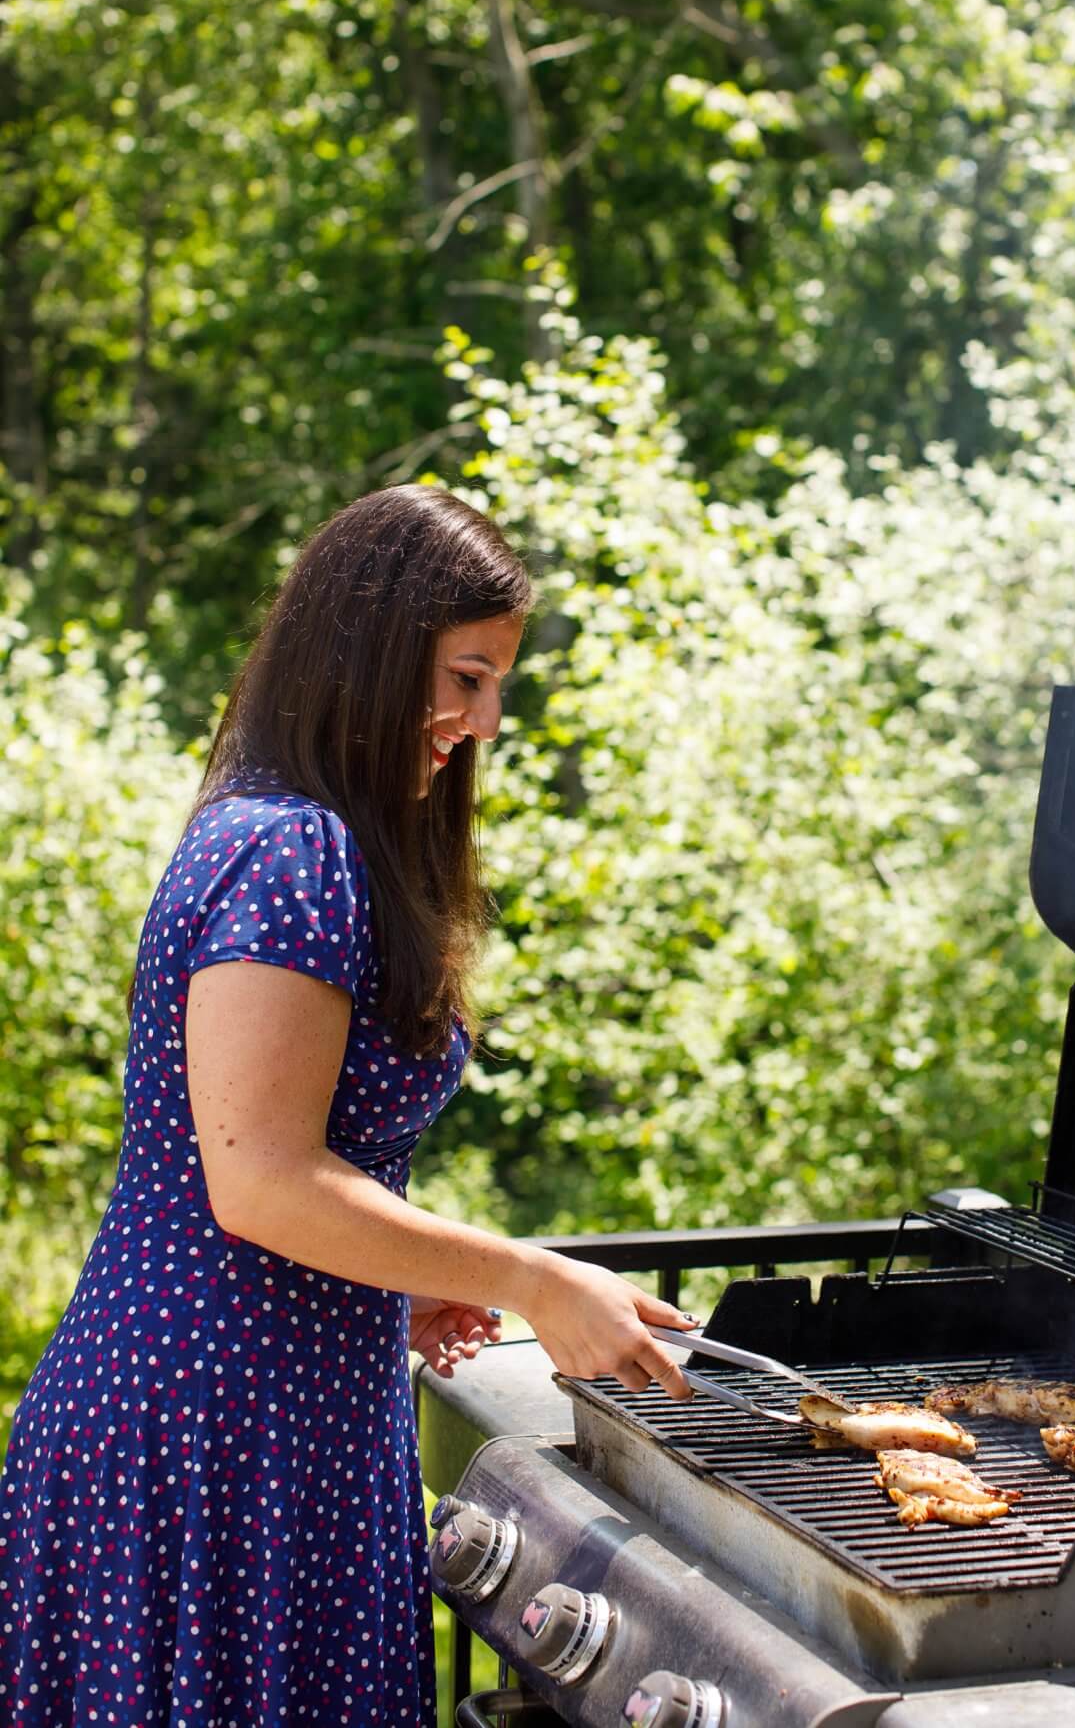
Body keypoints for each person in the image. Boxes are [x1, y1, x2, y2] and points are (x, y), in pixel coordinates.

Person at [0, 485, 697, 1726]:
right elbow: (260, 1180)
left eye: (497, 684)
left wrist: (389, 1275)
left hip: (273, 1418)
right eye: (468, 677)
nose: (486, 722)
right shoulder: (292, 850)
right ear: (373, 649)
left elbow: (275, 1173)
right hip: (207, 1438)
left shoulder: (291, 835)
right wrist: (533, 1278)